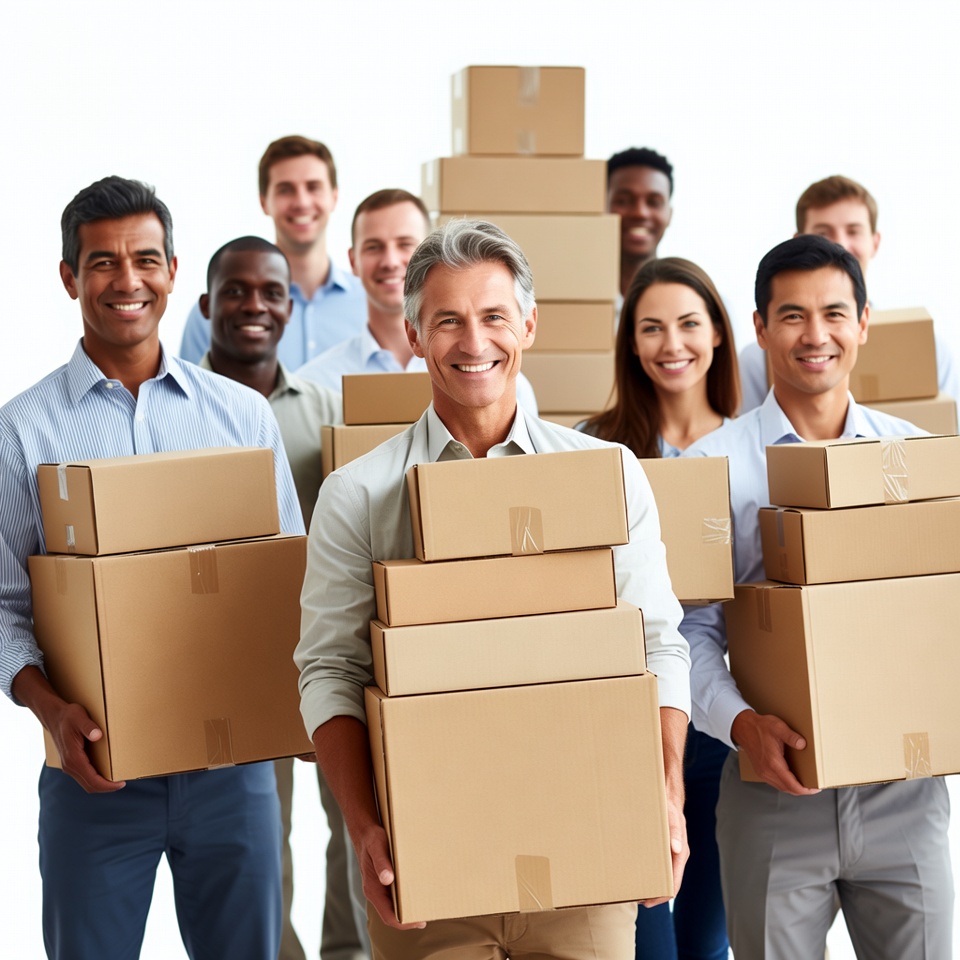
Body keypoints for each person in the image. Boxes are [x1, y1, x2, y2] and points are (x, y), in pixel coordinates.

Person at [295, 219, 691, 959]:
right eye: (447, 320)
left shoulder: (606, 476)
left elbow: (656, 642)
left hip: (588, 849)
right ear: (413, 335)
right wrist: (363, 828)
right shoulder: (358, 495)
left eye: (494, 316)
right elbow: (330, 670)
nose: (473, 341)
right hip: (428, 862)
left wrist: (667, 793)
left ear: (528, 325)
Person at [0, 176, 304, 959]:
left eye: (144, 259)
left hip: (233, 772)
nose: (126, 281)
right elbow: (4, 608)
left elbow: (285, 584)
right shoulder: (22, 432)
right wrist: (51, 712)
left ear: (172, 270)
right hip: (94, 772)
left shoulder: (240, 416)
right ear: (69, 277)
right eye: (102, 262)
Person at [682, 234, 953, 959]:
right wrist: (741, 726)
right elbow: (691, 631)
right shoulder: (714, 466)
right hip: (774, 787)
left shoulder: (912, 458)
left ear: (863, 322)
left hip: (904, 789)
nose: (815, 335)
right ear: (761, 328)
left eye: (834, 313)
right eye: (792, 315)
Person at [197, 235, 368, 960]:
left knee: (356, 821)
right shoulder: (180, 414)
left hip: (333, 653)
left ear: (290, 307)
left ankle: (349, 952)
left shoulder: (327, 413)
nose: (254, 305)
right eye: (236, 291)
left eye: (271, 292)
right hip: (234, 663)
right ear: (206, 305)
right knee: (259, 836)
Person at [582, 258, 738, 960]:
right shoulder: (594, 448)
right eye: (650, 328)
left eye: (688, 324)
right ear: (631, 344)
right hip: (629, 721)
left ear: (718, 334)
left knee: (707, 940)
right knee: (646, 938)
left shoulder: (748, 446)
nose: (671, 344)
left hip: (724, 724)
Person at [295, 189, 539, 416]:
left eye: (405, 245)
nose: (390, 261)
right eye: (373, 247)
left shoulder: (505, 383)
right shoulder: (316, 384)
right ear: (353, 261)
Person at [738, 175, 960, 411]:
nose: (840, 245)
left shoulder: (929, 351)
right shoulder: (758, 361)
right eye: (823, 233)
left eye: (853, 231)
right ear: (798, 242)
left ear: (875, 242)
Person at [180, 136, 366, 367]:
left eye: (313, 187)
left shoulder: (371, 306)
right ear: (264, 202)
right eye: (285, 189)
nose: (301, 202)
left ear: (334, 197)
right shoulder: (213, 314)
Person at [606, 148, 674, 303]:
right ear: (602, 208)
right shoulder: (570, 296)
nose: (640, 213)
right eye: (623, 201)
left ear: (670, 214)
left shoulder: (700, 304)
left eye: (654, 202)